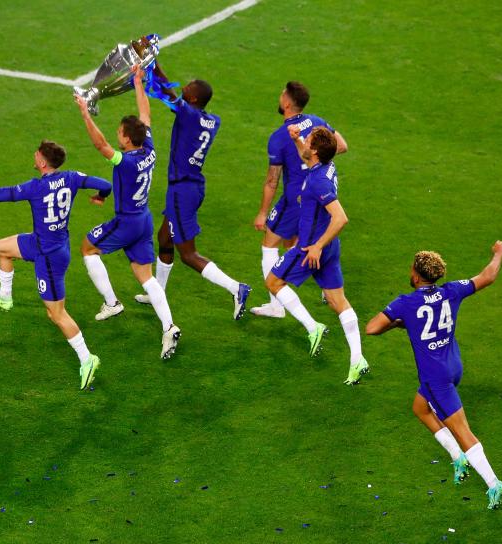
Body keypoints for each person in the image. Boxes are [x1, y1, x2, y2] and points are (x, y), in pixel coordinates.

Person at [365, 242, 502, 509]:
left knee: (463, 431)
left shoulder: (406, 303)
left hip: (435, 378)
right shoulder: (451, 291)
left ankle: (493, 484)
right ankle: (457, 457)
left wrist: (398, 322)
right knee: (420, 408)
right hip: (454, 367)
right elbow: (488, 276)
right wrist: (498, 253)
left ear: (416, 275)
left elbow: (372, 328)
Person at [0, 140, 111, 389]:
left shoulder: (35, 188)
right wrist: (100, 197)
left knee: (55, 313)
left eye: (36, 154)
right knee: (1, 248)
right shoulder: (71, 177)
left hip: (49, 257)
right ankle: (5, 296)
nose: (34, 155)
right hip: (45, 243)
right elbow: (105, 185)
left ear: (43, 162)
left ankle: (87, 359)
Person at [75, 64, 181, 360]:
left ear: (126, 140)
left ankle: (112, 302)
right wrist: (137, 82)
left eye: (120, 132)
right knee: (144, 276)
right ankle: (168, 326)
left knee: (87, 247)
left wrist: (85, 113)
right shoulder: (148, 148)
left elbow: (101, 146)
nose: (117, 134)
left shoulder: (126, 161)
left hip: (126, 221)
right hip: (144, 219)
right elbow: (145, 116)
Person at [132, 63, 251, 319]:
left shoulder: (189, 114)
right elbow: (176, 96)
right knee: (164, 238)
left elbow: (169, 94)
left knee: (188, 254)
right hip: (191, 186)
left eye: (187, 88)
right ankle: (158, 294)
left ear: (194, 98)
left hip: (182, 190)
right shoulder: (211, 120)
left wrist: (154, 65)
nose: (182, 88)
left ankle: (236, 288)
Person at [265, 125, 369, 384]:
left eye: (308, 139)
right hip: (330, 247)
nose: (305, 141)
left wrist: (317, 246)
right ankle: (358, 359)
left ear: (315, 151)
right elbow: (306, 155)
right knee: (338, 302)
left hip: (311, 249)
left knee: (273, 282)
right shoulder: (326, 166)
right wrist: (298, 139)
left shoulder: (318, 181)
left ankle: (314, 327)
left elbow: (341, 218)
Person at [251, 81, 348, 317]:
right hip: (319, 198)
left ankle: (277, 305)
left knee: (269, 243)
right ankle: (325, 287)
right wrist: (318, 162)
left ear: (286, 103)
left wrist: (263, 212)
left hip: (296, 199)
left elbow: (272, 180)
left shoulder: (278, 137)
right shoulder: (317, 122)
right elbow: (342, 146)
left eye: (281, 94)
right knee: (294, 242)